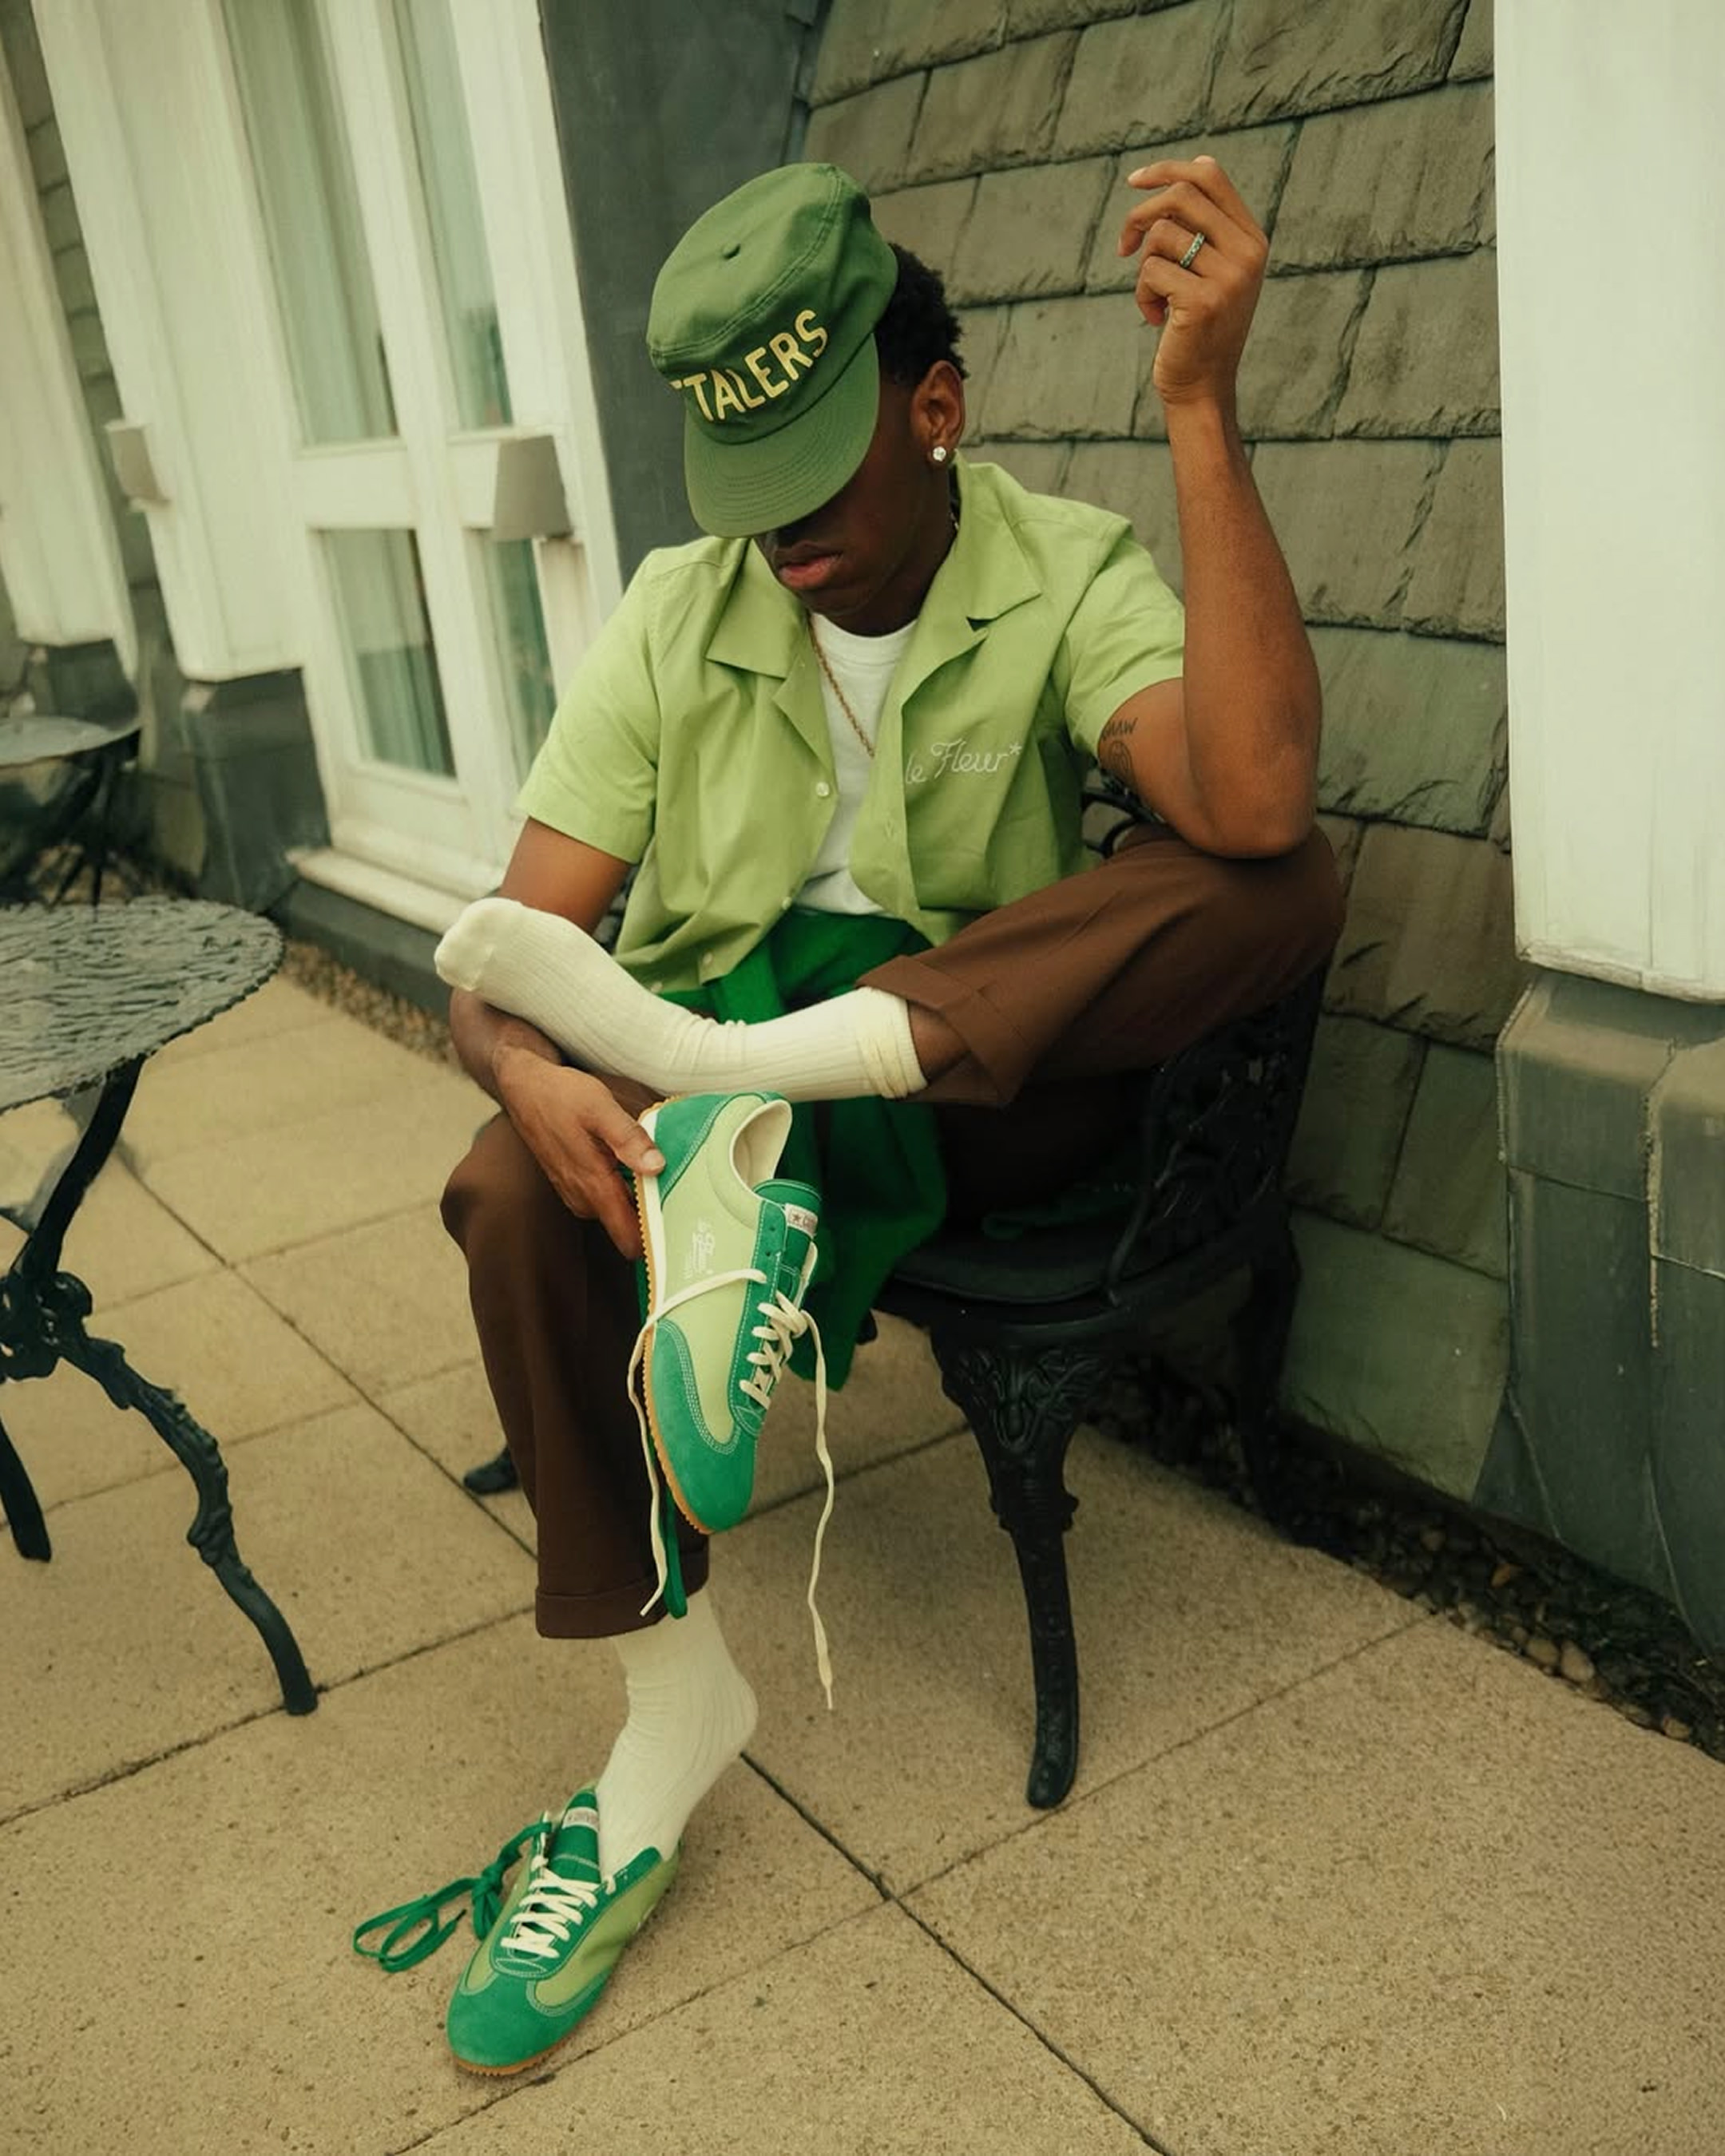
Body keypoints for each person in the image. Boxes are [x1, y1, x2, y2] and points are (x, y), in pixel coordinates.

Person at [410, 154, 1342, 2074]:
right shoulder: (679, 619)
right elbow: (504, 957)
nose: (786, 541)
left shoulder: (1058, 568)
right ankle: (668, 1724)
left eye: (822, 479)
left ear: (938, 406)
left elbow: (1246, 804)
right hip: (710, 1041)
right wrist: (532, 1066)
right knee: (508, 1185)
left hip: (971, 1090)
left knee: (1284, 877)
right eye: (747, 499)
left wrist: (1197, 406)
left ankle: (744, 1110)